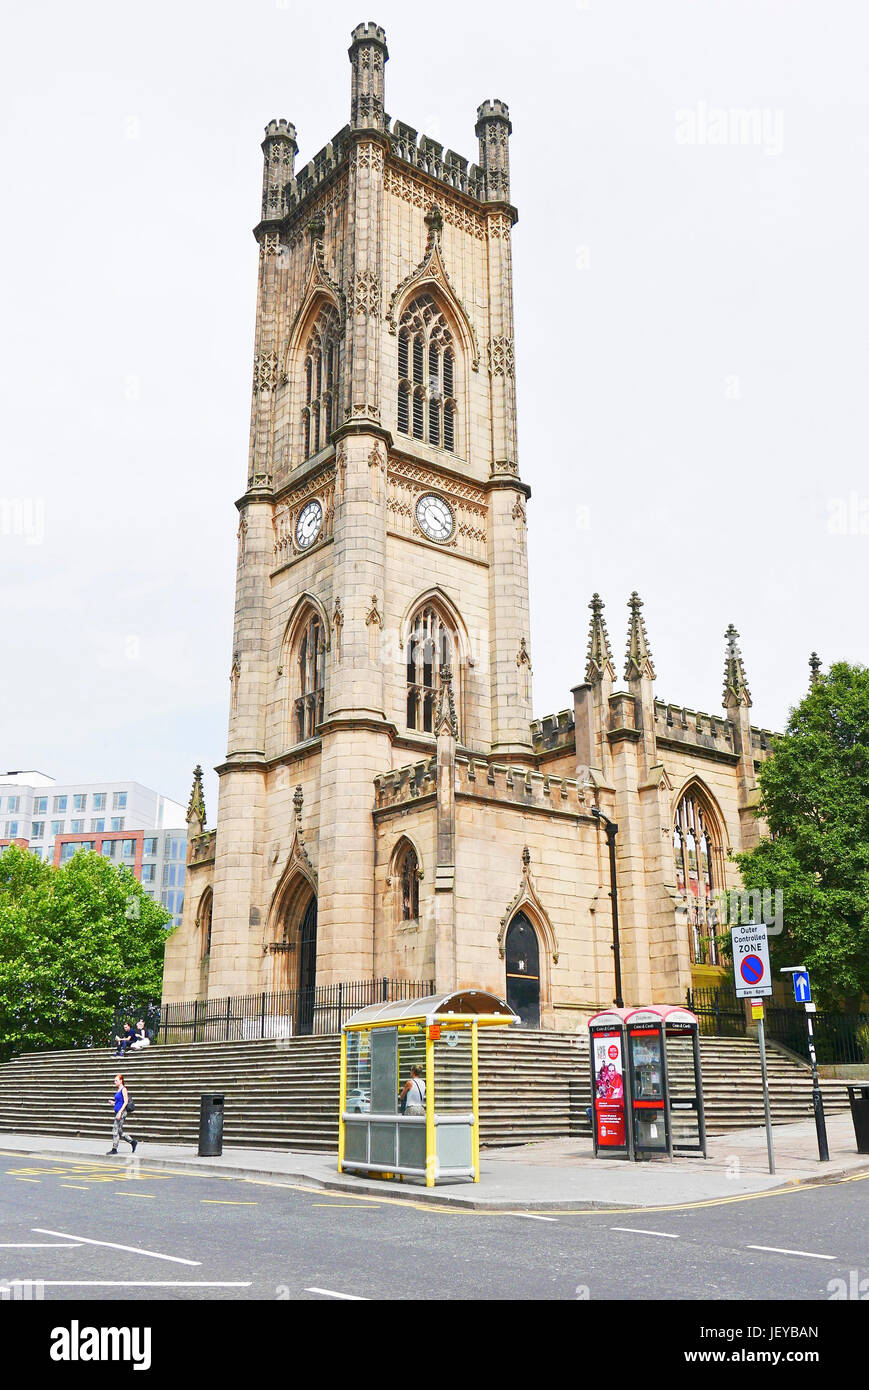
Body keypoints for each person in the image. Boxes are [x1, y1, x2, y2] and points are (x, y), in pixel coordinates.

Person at [108, 1073, 137, 1155]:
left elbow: (126, 1102)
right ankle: (132, 1142)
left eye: (116, 1080)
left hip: (121, 1113)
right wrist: (113, 1103)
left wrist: (120, 1112)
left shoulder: (124, 1089)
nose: (114, 1082)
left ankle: (114, 1149)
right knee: (120, 1131)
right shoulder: (118, 1089)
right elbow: (118, 1102)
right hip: (118, 1112)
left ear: (121, 1081)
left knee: (115, 1130)